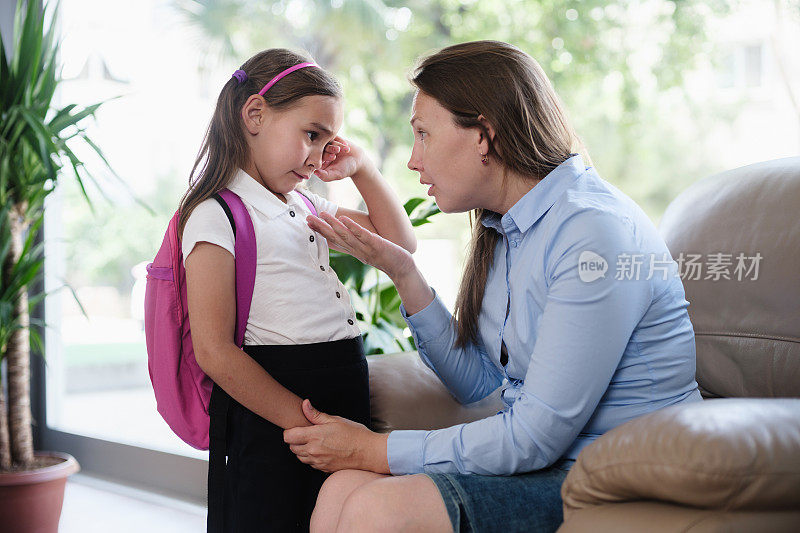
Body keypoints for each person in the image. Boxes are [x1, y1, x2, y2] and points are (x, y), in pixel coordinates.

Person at [282, 40, 703, 533]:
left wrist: (375, 447)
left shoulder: (592, 234)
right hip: (557, 469)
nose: (414, 161)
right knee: (343, 486)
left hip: (621, 477)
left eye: (424, 135)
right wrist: (404, 274)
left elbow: (533, 437)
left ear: (484, 135)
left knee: (378, 507)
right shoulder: (508, 229)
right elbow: (479, 385)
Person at [179, 48, 416, 532]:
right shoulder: (216, 215)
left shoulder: (306, 204)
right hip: (279, 415)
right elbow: (214, 350)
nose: (317, 156)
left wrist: (363, 169)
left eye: (328, 141)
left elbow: (397, 243)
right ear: (255, 115)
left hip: (337, 408)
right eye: (311, 135)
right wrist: (305, 425)